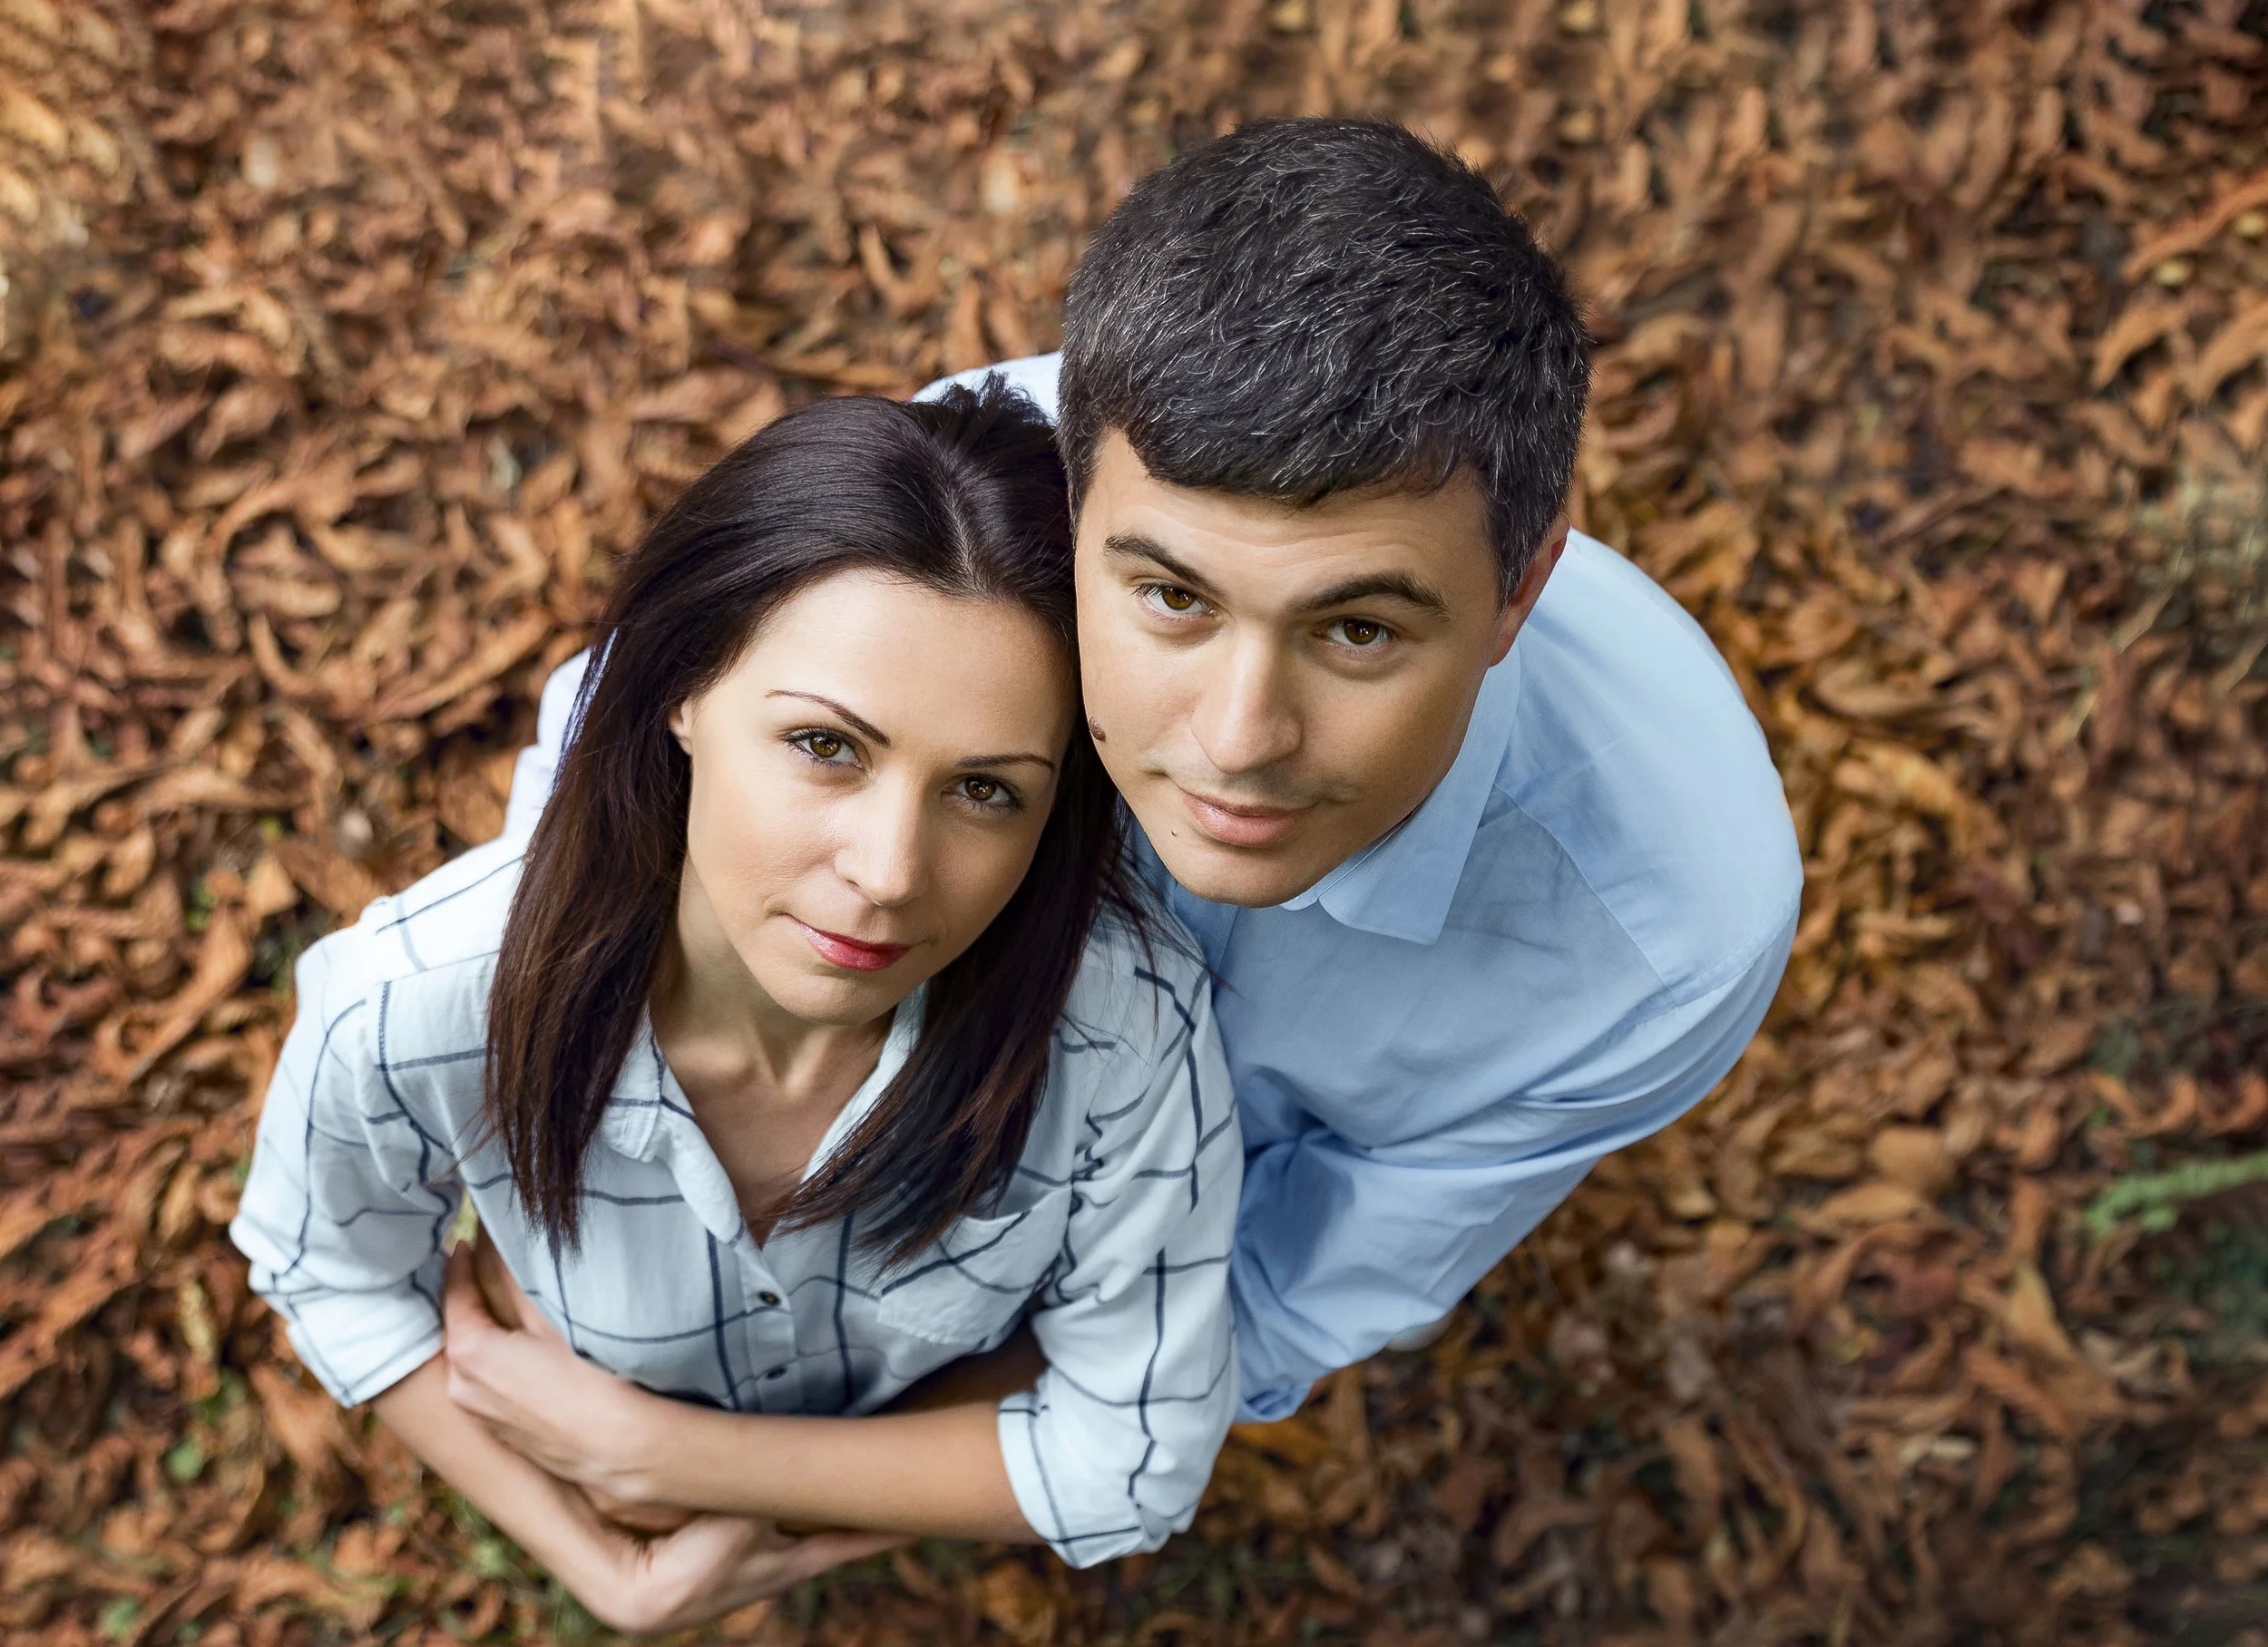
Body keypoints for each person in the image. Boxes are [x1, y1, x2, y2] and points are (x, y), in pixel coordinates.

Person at [503, 119, 1800, 1435]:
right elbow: (601, 769)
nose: (1240, 739)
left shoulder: (1662, 945)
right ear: (1075, 518)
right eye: (1173, 598)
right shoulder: (998, 503)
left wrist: (749, 1471)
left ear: (1519, 592)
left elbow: (1260, 1310)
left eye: (1357, 630)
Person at [231, 385, 1241, 1633]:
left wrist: (659, 1460)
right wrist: (603, 1566)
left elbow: (1135, 1457)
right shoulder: (413, 1003)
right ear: (683, 690)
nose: (888, 871)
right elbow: (321, 1266)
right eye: (827, 746)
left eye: (985, 790)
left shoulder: (1124, 1036)